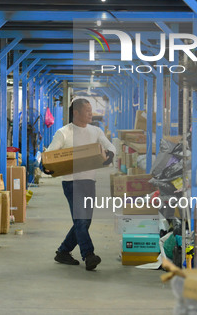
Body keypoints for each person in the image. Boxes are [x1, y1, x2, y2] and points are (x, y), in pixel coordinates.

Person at [44, 98, 116, 271]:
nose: (91, 114)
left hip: (89, 181)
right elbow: (50, 154)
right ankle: (88, 255)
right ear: (76, 113)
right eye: (87, 111)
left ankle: (63, 251)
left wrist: (109, 156)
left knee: (84, 221)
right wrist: (46, 166)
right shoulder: (64, 132)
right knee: (81, 220)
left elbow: (111, 148)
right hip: (71, 182)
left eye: (91, 111)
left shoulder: (96, 131)